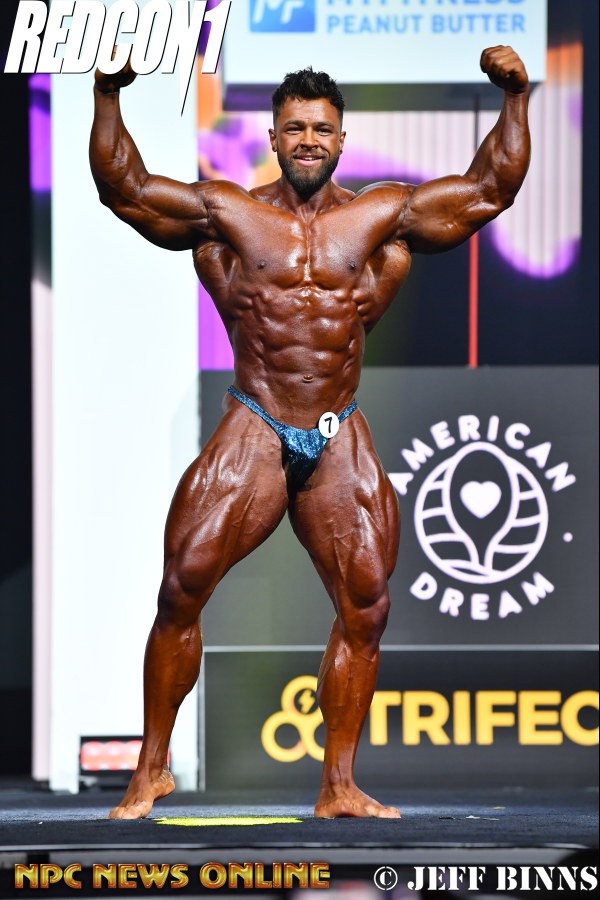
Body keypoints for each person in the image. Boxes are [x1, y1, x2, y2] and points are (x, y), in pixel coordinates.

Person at [90, 45, 530, 820]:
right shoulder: (229, 212)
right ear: (273, 136)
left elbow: (491, 188)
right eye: (294, 128)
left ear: (340, 140)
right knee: (181, 587)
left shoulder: (381, 215)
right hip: (257, 419)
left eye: (321, 129)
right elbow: (123, 188)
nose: (307, 141)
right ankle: (150, 770)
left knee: (367, 607)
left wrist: (516, 98)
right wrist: (106, 97)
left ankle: (338, 786)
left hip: (336, 427)